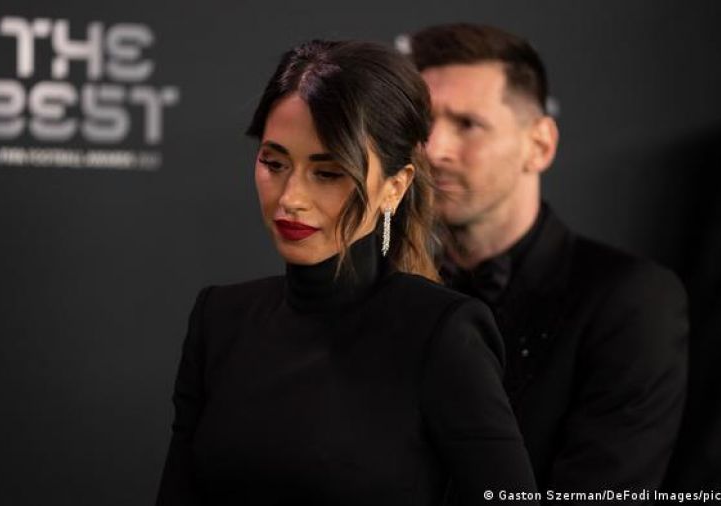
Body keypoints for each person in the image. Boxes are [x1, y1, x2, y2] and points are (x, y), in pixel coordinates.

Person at [155, 40, 538, 505]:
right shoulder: (220, 320)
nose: (290, 198)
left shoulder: (442, 334)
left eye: (328, 172)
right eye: (274, 163)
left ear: (394, 187)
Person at [406, 23, 689, 493]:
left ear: (539, 145)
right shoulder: (393, 290)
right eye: (423, 126)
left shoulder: (630, 302)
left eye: (468, 124)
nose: (434, 150)